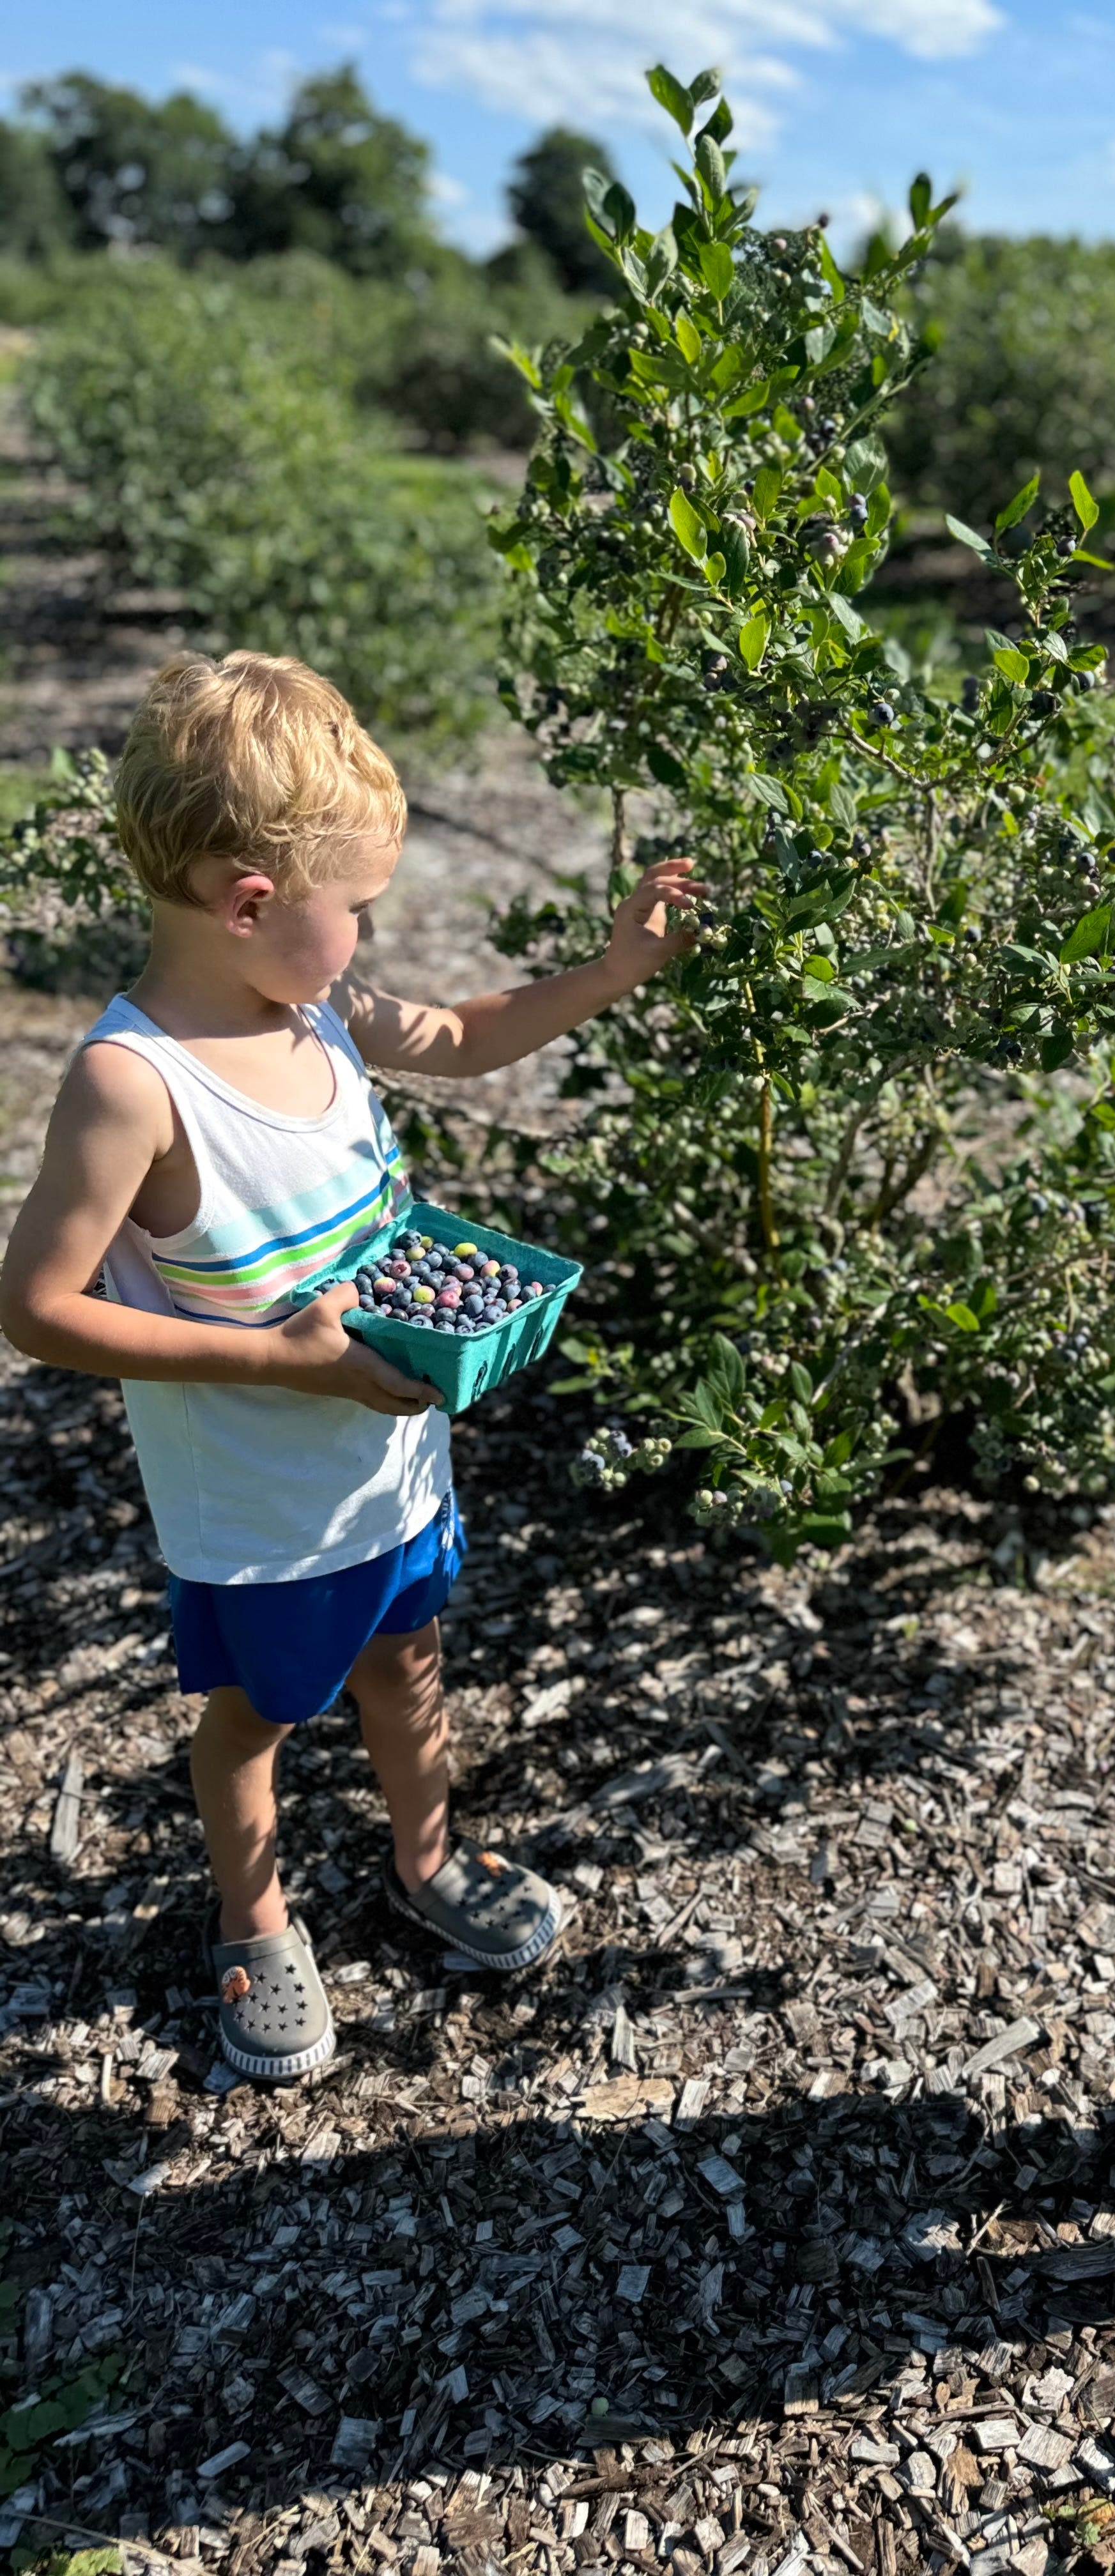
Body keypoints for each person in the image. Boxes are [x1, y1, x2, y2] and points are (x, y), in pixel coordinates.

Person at [0, 652, 702, 2082]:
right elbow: (35, 1311)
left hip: (389, 1451)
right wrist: (284, 1360)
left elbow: (459, 1036)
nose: (368, 933)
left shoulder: (313, 1005)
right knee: (257, 1712)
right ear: (249, 901)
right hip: (265, 1507)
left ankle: (424, 1861)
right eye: (358, 904)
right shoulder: (138, 1084)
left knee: (411, 1652)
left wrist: (618, 967)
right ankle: (255, 1920)